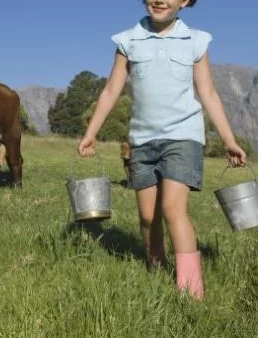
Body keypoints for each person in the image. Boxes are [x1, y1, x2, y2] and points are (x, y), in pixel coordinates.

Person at [78, 0, 247, 300]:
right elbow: (111, 90)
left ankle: (192, 291)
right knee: (146, 217)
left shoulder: (195, 40)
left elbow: (207, 92)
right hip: (142, 141)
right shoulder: (128, 40)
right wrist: (91, 133)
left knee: (172, 209)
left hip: (183, 137)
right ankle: (156, 270)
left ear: (185, 2)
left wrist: (229, 140)